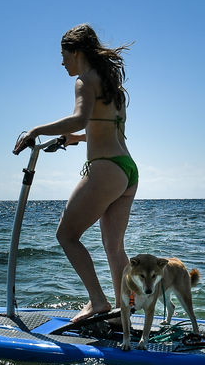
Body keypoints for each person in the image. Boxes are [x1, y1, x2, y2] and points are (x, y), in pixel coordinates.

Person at [13, 24, 137, 322]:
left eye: (63, 54)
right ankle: (128, 307)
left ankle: (97, 301)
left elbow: (80, 119)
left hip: (105, 169)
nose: (62, 61)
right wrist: (75, 140)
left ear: (76, 52)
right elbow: (105, 127)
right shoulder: (113, 87)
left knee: (66, 235)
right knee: (114, 246)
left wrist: (36, 130)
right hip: (127, 170)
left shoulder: (84, 81)